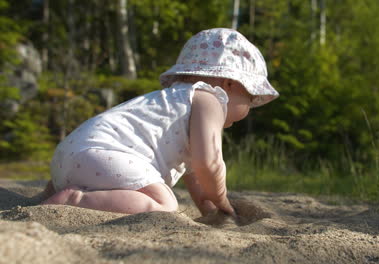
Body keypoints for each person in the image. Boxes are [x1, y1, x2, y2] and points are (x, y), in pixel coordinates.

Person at [41, 28, 279, 217]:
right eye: (250, 97)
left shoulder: (171, 102)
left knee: (153, 192)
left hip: (69, 158)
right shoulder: (210, 99)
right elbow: (209, 163)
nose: (250, 106)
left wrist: (212, 211)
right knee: (164, 203)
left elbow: (196, 174)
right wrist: (221, 198)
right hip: (102, 157)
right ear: (229, 83)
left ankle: (54, 195)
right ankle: (75, 200)